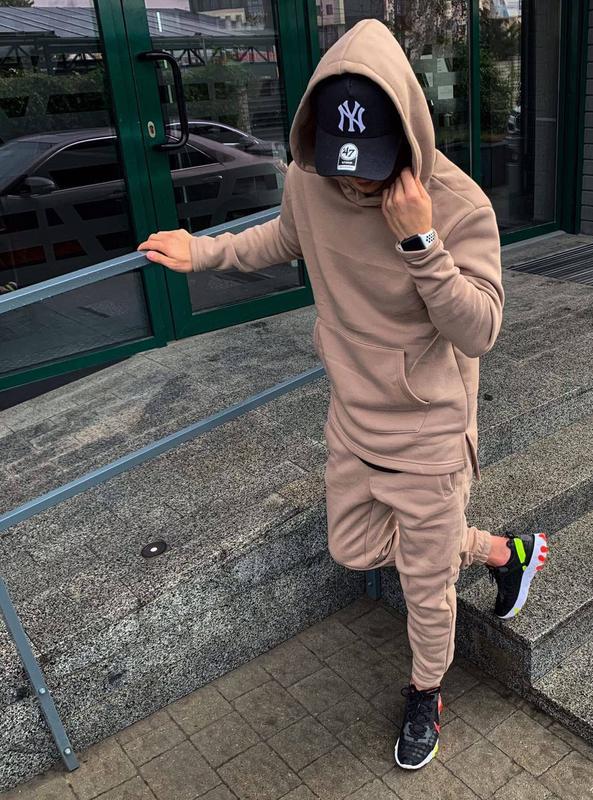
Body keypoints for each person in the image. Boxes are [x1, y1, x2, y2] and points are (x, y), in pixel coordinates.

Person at [137, 18, 549, 771]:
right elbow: (283, 238)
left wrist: (421, 244)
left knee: (425, 591)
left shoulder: (458, 204)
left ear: (409, 133)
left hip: (427, 436)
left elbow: (480, 329)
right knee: (351, 548)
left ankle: (426, 691)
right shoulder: (311, 179)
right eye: (342, 165)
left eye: (372, 165)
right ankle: (498, 550)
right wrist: (204, 252)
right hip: (353, 423)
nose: (356, 182)